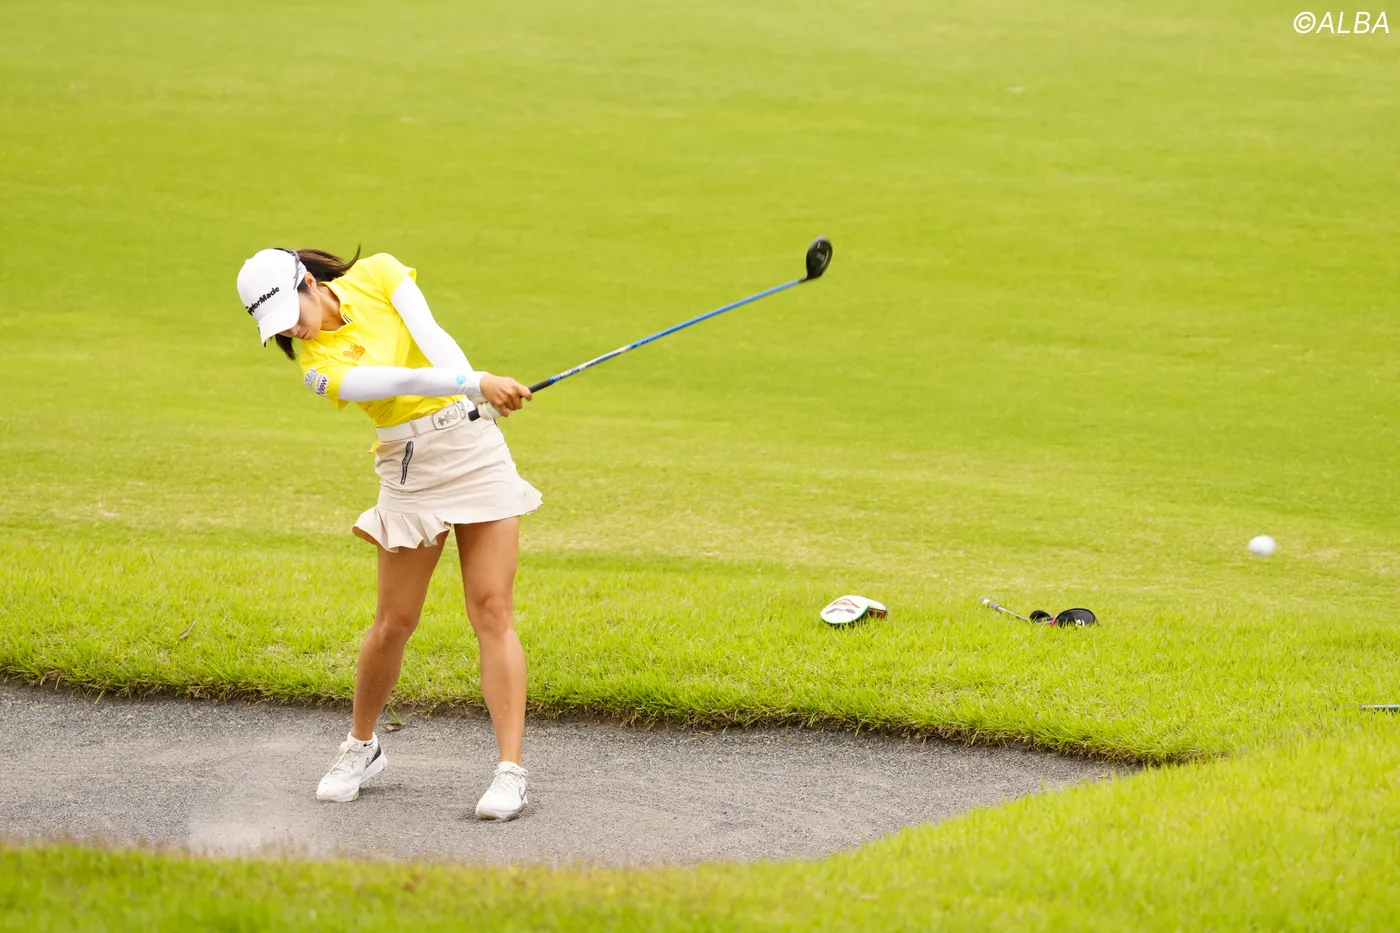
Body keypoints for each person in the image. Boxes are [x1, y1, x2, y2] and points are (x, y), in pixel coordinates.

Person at [235, 246, 540, 820]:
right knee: (394, 620)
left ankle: (510, 772)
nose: (293, 331)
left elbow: (431, 335)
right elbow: (396, 379)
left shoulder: (378, 272)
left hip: (475, 450)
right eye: (278, 328)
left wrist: (473, 389)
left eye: (292, 314)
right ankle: (362, 746)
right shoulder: (317, 369)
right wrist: (476, 380)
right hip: (409, 468)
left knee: (492, 609)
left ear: (308, 281)